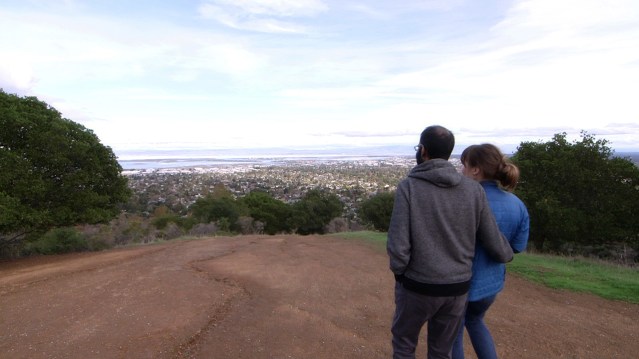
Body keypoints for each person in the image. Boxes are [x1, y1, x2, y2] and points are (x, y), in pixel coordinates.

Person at [387, 125, 514, 359]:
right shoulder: (473, 190)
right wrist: (507, 254)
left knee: (404, 345)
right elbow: (492, 238)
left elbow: (398, 244)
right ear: (449, 152)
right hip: (457, 289)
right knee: (441, 351)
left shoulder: (409, 187)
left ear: (423, 151)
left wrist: (400, 273)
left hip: (417, 285)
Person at [452, 143, 530, 359]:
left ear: (476, 169)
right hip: (491, 285)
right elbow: (517, 247)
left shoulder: (463, 200)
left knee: (453, 332)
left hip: (461, 283)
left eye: (464, 166)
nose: (462, 171)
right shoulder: (517, 204)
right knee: (476, 322)